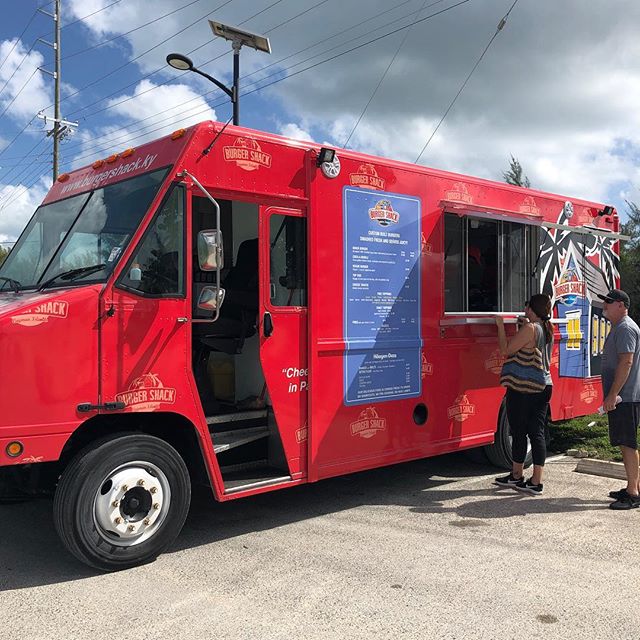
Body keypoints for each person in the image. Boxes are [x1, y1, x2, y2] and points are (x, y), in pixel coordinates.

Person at [493, 294, 554, 495]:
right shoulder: (546, 328)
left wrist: (500, 325)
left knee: (519, 430)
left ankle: (519, 475)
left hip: (524, 387)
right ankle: (533, 479)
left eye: (527, 306)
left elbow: (506, 350)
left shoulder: (530, 328)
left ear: (531, 308)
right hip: (543, 385)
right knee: (535, 431)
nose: (524, 309)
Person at [598, 288, 640, 510]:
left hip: (626, 397)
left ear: (622, 305)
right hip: (623, 397)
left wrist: (613, 394)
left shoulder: (625, 328)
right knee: (625, 443)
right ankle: (633, 486)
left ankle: (633, 494)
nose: (604, 305)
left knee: (627, 443)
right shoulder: (620, 327)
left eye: (609, 302)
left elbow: (627, 362)